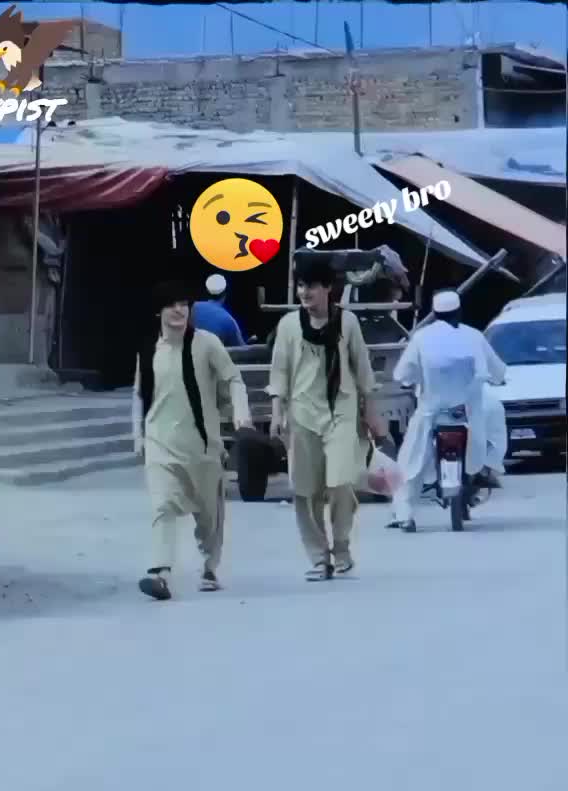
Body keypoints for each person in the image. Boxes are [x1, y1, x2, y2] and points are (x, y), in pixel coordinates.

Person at [267, 252, 388, 578]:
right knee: (305, 490)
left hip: (341, 412)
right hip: (302, 414)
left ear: (327, 289)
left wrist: (372, 414)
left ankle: (342, 547)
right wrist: (276, 413)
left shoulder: (347, 323)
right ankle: (320, 558)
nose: (304, 293)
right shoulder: (289, 325)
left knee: (340, 483)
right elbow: (279, 371)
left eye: (311, 286)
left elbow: (362, 370)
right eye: (301, 286)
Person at [133, 280, 252, 601]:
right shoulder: (148, 349)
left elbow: (233, 379)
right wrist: (138, 436)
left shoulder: (207, 344)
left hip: (202, 446)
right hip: (160, 443)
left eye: (184, 304)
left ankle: (210, 566)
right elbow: (139, 395)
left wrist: (241, 413)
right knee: (163, 506)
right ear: (159, 311)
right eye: (172, 304)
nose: (179, 310)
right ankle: (160, 573)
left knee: (208, 517)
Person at [387, 290, 507, 532]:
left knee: (411, 461)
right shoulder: (473, 336)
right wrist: (497, 378)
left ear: (434, 314)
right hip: (469, 412)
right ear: (458, 312)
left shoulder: (421, 338)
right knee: (495, 419)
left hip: (431, 412)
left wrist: (411, 380)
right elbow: (497, 371)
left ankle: (404, 515)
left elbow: (403, 374)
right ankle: (489, 468)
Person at [191, 274, 246, 347]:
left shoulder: (192, 307)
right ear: (225, 292)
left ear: (207, 290)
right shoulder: (229, 320)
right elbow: (241, 350)